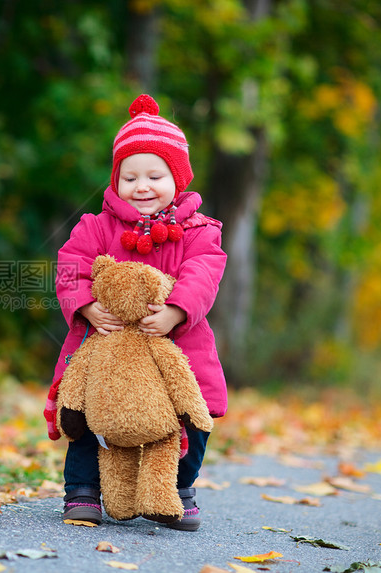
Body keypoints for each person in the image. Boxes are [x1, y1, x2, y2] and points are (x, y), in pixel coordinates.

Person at [44, 94, 228, 531]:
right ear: (116, 179)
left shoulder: (198, 232)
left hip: (177, 344)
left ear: (177, 178)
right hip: (107, 348)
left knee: (193, 414)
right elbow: (72, 266)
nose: (142, 186)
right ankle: (83, 490)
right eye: (130, 177)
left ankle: (179, 486)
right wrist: (86, 305)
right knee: (88, 415)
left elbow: (204, 272)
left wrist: (176, 310)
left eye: (155, 175)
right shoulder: (96, 226)